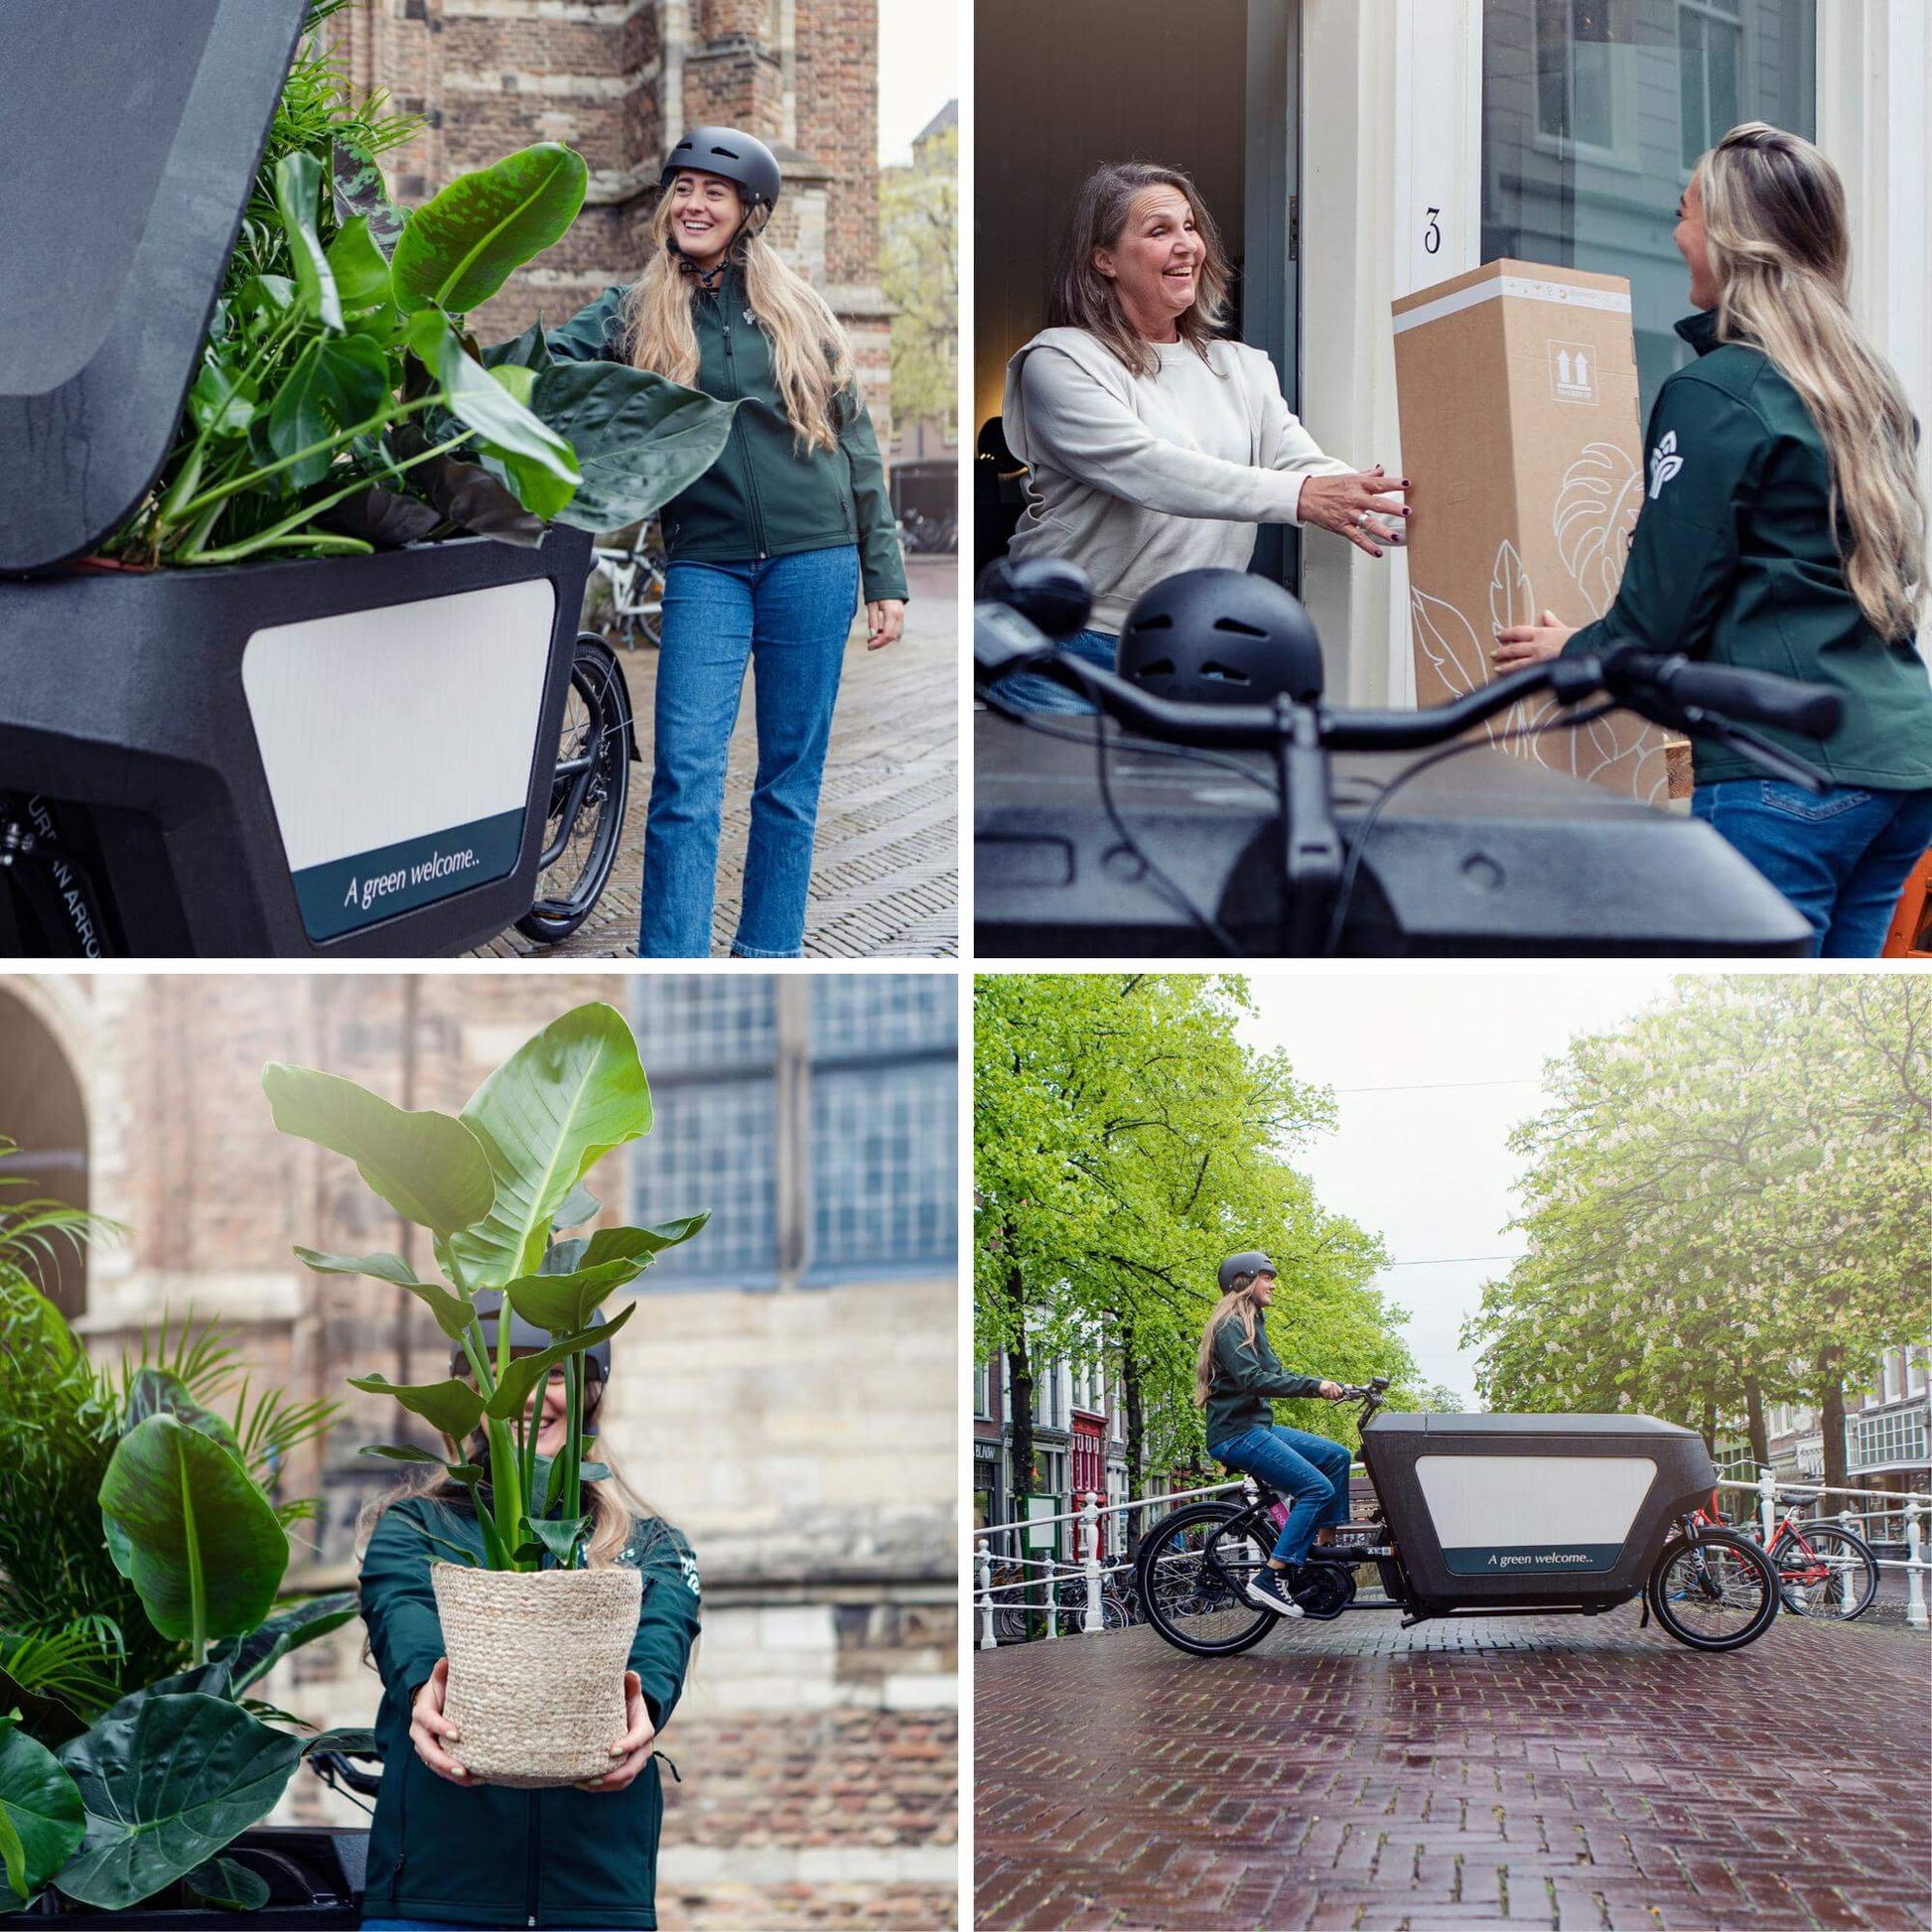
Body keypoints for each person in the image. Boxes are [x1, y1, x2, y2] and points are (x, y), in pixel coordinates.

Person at [1494, 122, 1932, 957]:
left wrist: (1573, 652)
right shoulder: (1866, 389)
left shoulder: (1716, 394)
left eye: (1686, 213)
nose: (1675, 234)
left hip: (1787, 777)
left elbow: (1658, 617)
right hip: (1902, 766)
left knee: (1759, 1020)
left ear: (1732, 238)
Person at [547, 126, 908, 957]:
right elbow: (554, 361)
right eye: (683, 189)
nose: (694, 203)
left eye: (714, 191)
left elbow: (855, 442)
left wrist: (882, 573)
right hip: (706, 562)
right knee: (684, 777)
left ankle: (768, 955)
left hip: (814, 559)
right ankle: (672, 962)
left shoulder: (796, 310)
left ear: (748, 211)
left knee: (789, 778)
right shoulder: (635, 311)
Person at [995, 160, 1408, 712]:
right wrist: (1302, 497)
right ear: (1105, 259)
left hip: (1192, 644)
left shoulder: (1241, 367)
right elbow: (1150, 469)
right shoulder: (1061, 360)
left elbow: (1299, 463)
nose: (1187, 244)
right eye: (1159, 231)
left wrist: (1412, 510)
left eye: (1190, 227)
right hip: (1069, 647)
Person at [357, 1301, 701, 1930]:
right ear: (470, 1395)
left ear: (593, 1392)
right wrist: (422, 1691)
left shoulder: (653, 1546)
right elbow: (401, 1614)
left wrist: (642, 1709)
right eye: (503, 1371)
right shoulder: (415, 1528)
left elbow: (662, 1640)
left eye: (558, 1372)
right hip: (438, 1896)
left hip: (596, 1899)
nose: (529, 1391)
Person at [1195, 1250, 1352, 1618]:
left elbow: (1274, 1374)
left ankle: (1325, 1552)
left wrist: (1339, 1386)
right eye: (1267, 1277)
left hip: (1256, 1427)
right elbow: (1254, 1380)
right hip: (1237, 1433)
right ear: (1244, 1281)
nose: (1273, 1284)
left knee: (1336, 1456)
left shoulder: (1253, 1323)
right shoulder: (1230, 1325)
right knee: (1316, 1489)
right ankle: (1272, 1575)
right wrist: (1316, 1386)